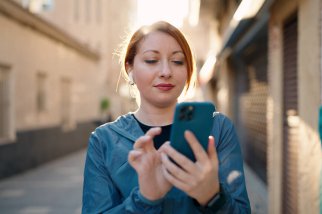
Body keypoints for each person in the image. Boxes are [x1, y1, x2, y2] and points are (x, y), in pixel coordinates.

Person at [82, 21, 251, 213]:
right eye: (152, 60)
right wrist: (145, 199)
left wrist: (213, 197)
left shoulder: (218, 129)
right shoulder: (104, 141)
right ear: (130, 69)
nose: (166, 72)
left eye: (178, 61)